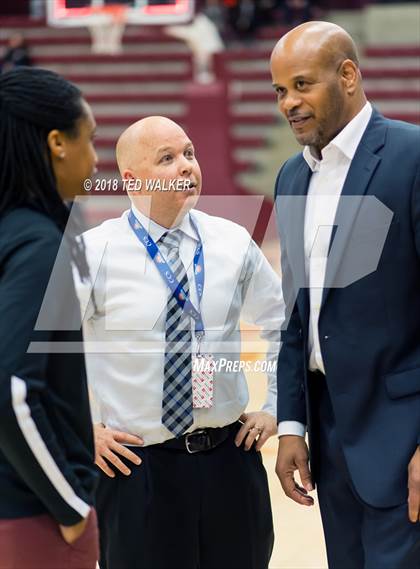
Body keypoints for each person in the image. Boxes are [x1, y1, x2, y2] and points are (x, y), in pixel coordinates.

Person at [76, 115, 282, 569]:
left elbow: (282, 324)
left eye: (189, 153)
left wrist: (275, 405)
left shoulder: (231, 241)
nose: (186, 165)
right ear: (131, 179)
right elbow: (36, 352)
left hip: (231, 461)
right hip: (135, 470)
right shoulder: (90, 252)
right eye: (167, 158)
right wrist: (78, 430)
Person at [271, 21, 420, 568]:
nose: (290, 102)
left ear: (349, 76)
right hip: (331, 440)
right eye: (280, 91)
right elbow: (295, 314)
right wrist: (291, 425)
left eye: (303, 85)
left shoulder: (411, 156)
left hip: (405, 438)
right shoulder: (290, 177)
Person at [0, 67, 99, 569]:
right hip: (33, 516)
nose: (96, 157)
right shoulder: (38, 244)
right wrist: (71, 505)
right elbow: (11, 389)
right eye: (91, 139)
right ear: (58, 142)